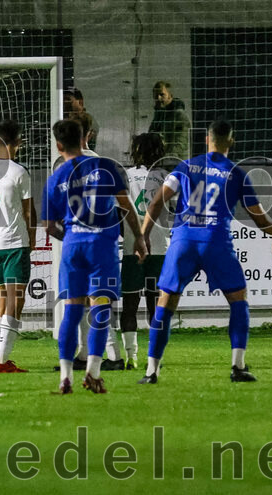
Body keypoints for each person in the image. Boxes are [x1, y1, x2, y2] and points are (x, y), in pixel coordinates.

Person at [138, 120, 272, 384]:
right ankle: (238, 367)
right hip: (215, 241)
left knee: (166, 302)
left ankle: (151, 371)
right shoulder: (236, 174)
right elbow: (258, 218)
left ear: (207, 140)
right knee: (238, 299)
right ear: (232, 141)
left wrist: (143, 235)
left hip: (184, 240)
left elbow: (157, 200)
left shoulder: (185, 166)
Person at [44, 119, 147, 394]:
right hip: (102, 247)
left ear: (58, 145)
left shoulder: (57, 177)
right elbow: (126, 207)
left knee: (72, 311)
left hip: (73, 247)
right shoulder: (108, 167)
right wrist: (138, 237)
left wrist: (72, 235)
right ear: (85, 138)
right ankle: (93, 372)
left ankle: (66, 377)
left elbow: (49, 225)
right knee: (101, 309)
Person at [0, 120, 36, 373]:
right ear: (19, 142)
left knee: (1, 300)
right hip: (14, 242)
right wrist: (32, 236)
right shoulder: (19, 172)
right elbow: (28, 211)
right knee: (16, 301)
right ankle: (1, 361)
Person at [119, 133, 170, 370]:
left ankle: (131, 356)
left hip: (132, 248)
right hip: (159, 248)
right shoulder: (166, 178)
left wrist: (128, 235)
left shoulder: (126, 176)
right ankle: (154, 359)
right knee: (156, 304)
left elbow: (119, 212)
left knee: (129, 303)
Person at [148, 81, 191, 162]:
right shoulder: (158, 116)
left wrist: (163, 157)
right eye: (155, 95)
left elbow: (181, 144)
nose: (158, 98)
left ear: (170, 96)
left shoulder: (179, 116)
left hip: (176, 164)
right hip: (162, 163)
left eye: (162, 94)